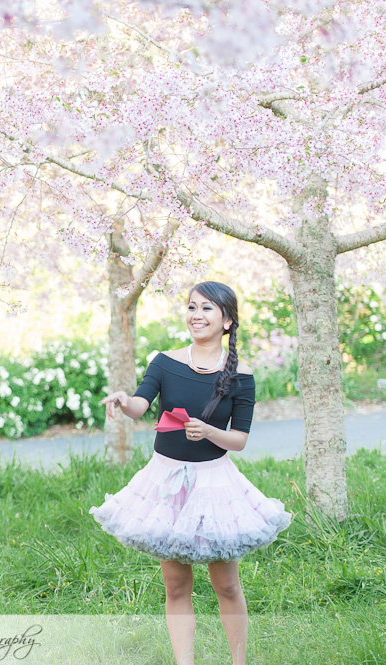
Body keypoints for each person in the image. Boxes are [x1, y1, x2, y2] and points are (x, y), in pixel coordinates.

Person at [91, 281, 291, 665]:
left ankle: (239, 661)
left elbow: (239, 439)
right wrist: (123, 399)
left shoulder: (241, 376)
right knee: (176, 584)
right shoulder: (165, 362)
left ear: (227, 321)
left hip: (214, 484)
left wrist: (209, 431)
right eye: (192, 307)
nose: (196, 316)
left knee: (227, 584)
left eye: (207, 309)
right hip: (165, 482)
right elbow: (140, 403)